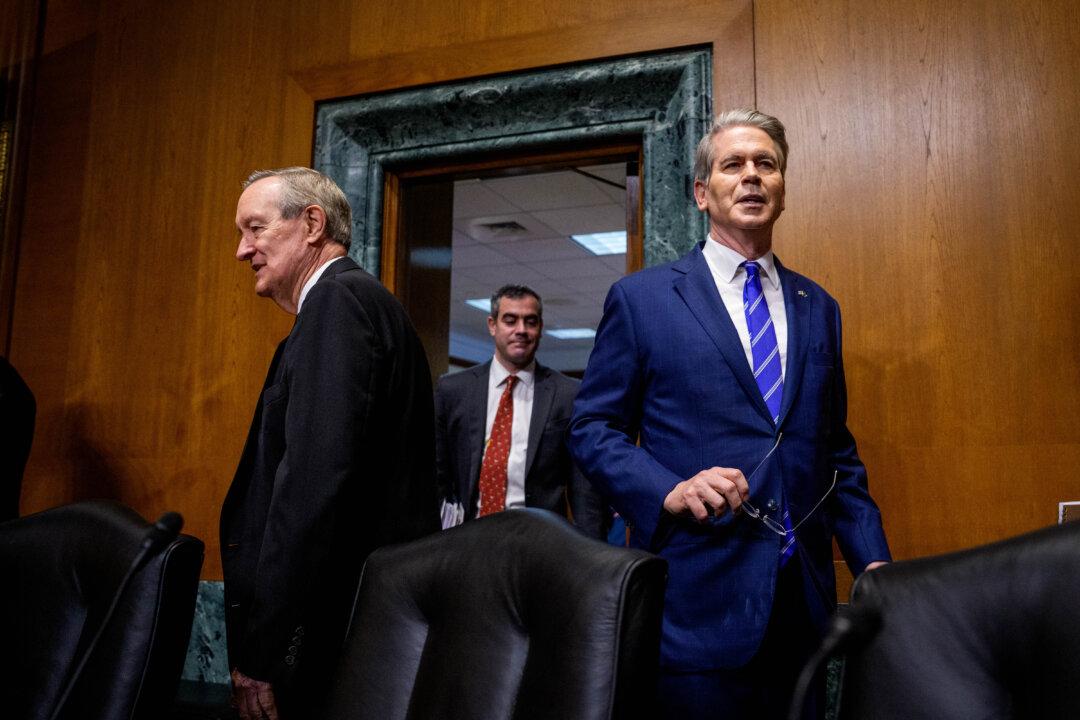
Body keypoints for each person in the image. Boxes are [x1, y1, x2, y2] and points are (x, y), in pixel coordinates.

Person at [568, 109, 891, 719]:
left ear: (782, 188)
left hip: (806, 610)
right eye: (732, 165)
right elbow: (591, 428)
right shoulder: (642, 301)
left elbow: (834, 452)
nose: (751, 177)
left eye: (765, 164)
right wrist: (668, 489)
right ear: (701, 192)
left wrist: (875, 563)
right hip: (697, 607)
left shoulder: (818, 306)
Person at [220, 167, 439, 719]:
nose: (242, 251)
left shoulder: (338, 305)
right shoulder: (357, 303)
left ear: (312, 223)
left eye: (255, 228)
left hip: (329, 635)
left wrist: (263, 649)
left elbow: (312, 487)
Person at [434, 284, 604, 538]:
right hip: (466, 538)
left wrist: (593, 555)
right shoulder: (453, 389)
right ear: (492, 325)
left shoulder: (568, 394)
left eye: (530, 321)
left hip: (539, 542)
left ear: (540, 328)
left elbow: (583, 486)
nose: (521, 330)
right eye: (510, 321)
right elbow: (436, 472)